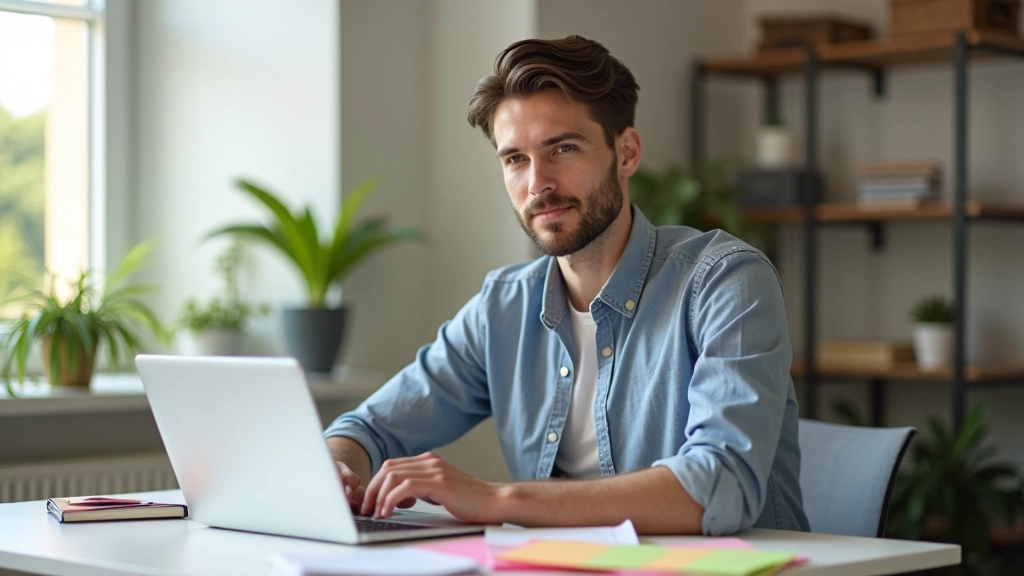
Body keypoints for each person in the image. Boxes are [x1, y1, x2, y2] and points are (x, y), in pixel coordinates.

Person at [324, 35, 809, 536]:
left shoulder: (724, 280)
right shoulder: (504, 306)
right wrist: (338, 469)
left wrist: (496, 498)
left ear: (627, 153)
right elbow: (366, 428)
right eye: (515, 159)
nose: (538, 183)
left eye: (563, 148)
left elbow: (718, 487)